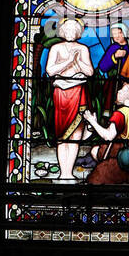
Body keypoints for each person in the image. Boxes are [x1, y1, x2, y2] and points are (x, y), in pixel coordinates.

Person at [44, 19, 94, 181]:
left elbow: (90, 72)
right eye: (68, 30)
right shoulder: (56, 48)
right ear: (63, 32)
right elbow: (50, 71)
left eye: (74, 30)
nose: (71, 33)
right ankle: (63, 173)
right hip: (61, 94)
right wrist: (68, 61)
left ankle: (69, 173)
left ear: (78, 33)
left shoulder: (83, 49)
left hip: (78, 92)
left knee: (75, 136)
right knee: (62, 136)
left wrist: (78, 61)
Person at [83, 82, 129, 185]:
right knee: (96, 151)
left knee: (94, 182)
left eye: (122, 90)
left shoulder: (120, 114)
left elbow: (108, 136)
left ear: (128, 96)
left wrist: (92, 121)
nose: (118, 92)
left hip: (122, 156)